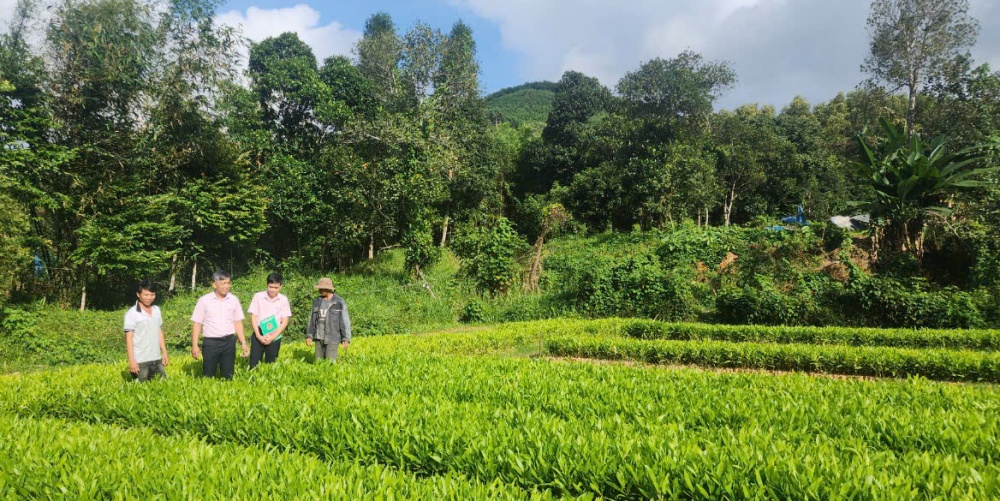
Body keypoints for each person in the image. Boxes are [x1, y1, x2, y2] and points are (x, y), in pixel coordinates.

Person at [190, 270, 249, 379]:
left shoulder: (233, 300)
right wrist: (194, 345)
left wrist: (243, 343)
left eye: (228, 283)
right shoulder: (204, 301)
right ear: (214, 284)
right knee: (208, 374)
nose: (226, 286)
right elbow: (197, 323)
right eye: (223, 283)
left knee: (228, 375)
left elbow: (238, 322)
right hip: (211, 342)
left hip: (229, 342)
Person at [123, 279, 169, 382]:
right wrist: (132, 360)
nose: (149, 298)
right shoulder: (132, 313)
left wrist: (164, 352)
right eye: (146, 295)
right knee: (142, 391)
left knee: (164, 389)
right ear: (138, 295)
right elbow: (128, 338)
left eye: (152, 295)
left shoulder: (157, 310)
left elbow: (159, 331)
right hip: (140, 361)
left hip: (156, 359)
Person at [247, 272, 292, 369]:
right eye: (270, 287)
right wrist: (258, 335)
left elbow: (284, 321)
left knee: (271, 362)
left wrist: (273, 336)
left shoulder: (283, 299)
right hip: (259, 331)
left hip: (275, 333)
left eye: (276, 288)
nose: (273, 290)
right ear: (267, 285)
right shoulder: (258, 297)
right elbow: (253, 317)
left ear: (281, 286)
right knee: (254, 362)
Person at [306, 277, 351, 362]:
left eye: (321, 288)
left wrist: (346, 338)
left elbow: (345, 322)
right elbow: (311, 319)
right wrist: (309, 335)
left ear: (328, 289)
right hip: (319, 337)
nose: (319, 290)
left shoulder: (339, 302)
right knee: (318, 363)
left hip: (332, 338)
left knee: (330, 364)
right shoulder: (317, 301)